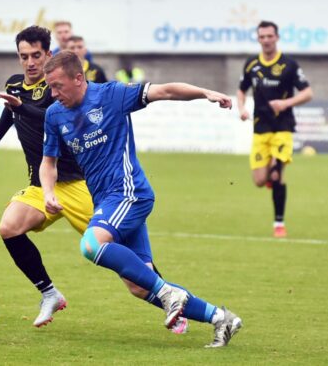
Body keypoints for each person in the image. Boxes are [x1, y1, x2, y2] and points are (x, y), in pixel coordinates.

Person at [0, 26, 185, 331]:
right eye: (24, 57)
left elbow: (46, 114)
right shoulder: (15, 85)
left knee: (133, 273)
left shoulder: (58, 90)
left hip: (80, 185)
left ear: (49, 55)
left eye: (36, 55)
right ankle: (49, 293)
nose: (30, 62)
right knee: (8, 227)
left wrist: (24, 108)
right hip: (43, 186)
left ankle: (171, 301)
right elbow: (12, 114)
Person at [40, 51, 242, 348]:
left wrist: (204, 93)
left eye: (58, 86)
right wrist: (48, 193)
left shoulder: (111, 96)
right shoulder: (54, 114)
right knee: (138, 284)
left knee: (91, 244)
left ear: (79, 78)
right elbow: (48, 162)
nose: (54, 94)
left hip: (129, 192)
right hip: (107, 200)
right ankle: (221, 318)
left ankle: (171, 293)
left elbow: (165, 91)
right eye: (50, 87)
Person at [237, 21, 313, 238]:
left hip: (283, 126)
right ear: (258, 39)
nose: (266, 40)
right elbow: (241, 90)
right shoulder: (251, 64)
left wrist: (286, 103)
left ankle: (278, 223)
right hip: (261, 127)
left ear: (277, 37)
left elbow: (307, 93)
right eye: (262, 37)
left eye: (270, 36)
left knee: (277, 173)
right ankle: (271, 174)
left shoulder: (289, 65)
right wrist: (242, 109)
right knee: (260, 180)